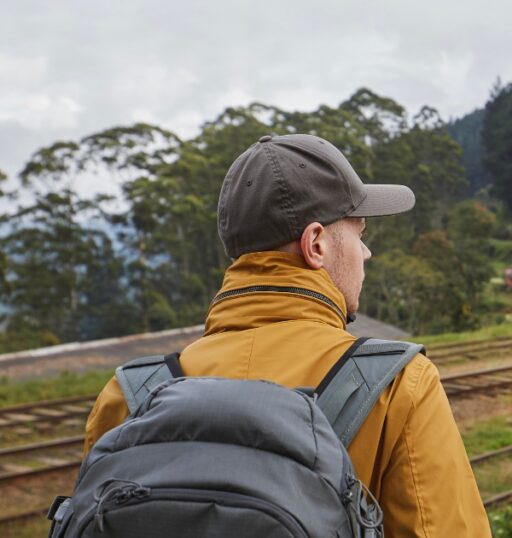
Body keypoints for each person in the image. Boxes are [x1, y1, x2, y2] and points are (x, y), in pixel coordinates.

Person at [83, 133, 491, 536]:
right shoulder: (399, 387)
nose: (365, 253)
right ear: (316, 244)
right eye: (359, 235)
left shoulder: (128, 395)